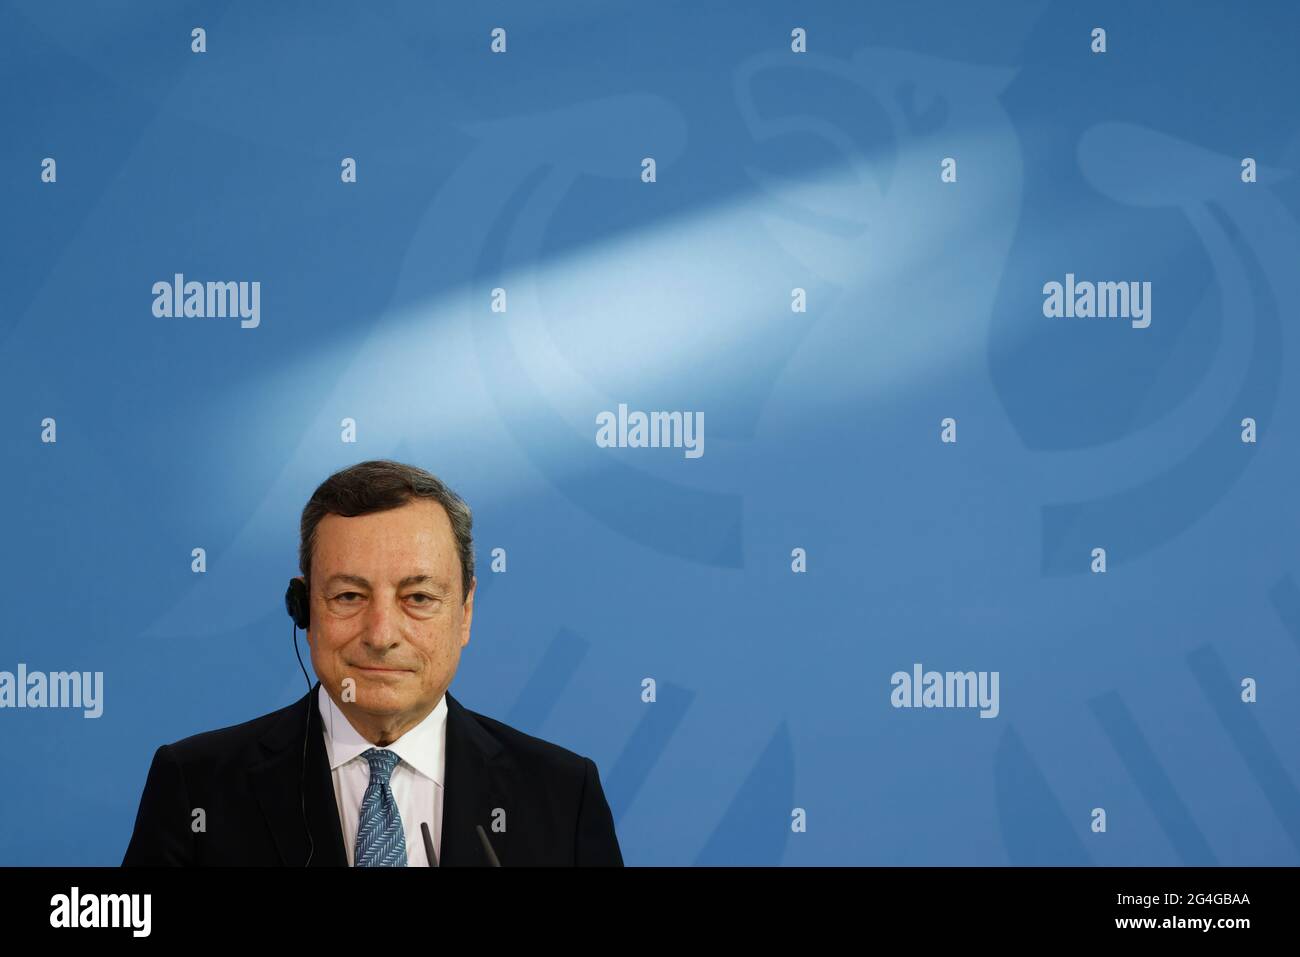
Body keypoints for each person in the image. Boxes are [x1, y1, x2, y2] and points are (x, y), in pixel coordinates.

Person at [122, 459, 623, 866]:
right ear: (305, 611)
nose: (381, 636)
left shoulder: (562, 795)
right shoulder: (196, 784)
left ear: (465, 613)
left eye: (419, 597)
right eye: (348, 596)